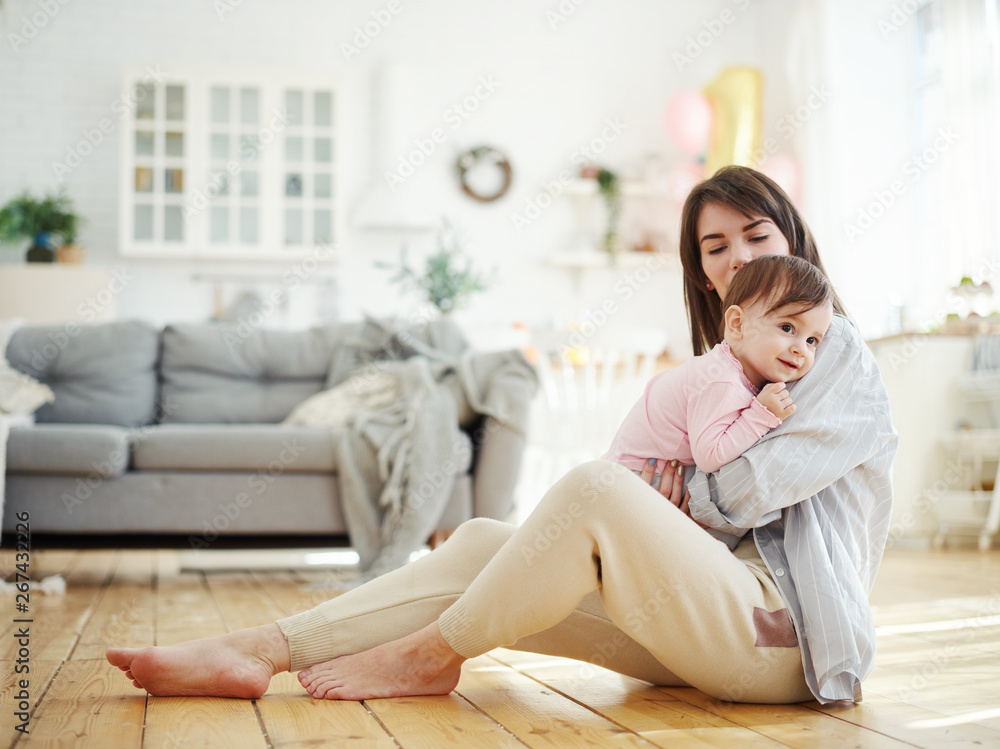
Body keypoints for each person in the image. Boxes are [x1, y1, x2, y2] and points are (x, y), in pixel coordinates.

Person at [106, 166, 896, 706]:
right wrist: (664, 505)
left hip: (783, 639)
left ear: (793, 237)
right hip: (703, 627)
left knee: (596, 487)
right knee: (487, 537)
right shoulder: (726, 369)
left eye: (755, 237)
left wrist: (669, 493)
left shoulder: (839, 358)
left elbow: (742, 496)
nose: (737, 259)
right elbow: (700, 512)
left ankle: (427, 654)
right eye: (714, 249)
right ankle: (259, 647)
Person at [603, 254, 834, 490]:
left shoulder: (732, 369)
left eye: (812, 340)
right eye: (787, 327)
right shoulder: (722, 380)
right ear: (737, 324)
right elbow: (711, 456)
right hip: (634, 478)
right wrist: (761, 415)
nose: (801, 349)